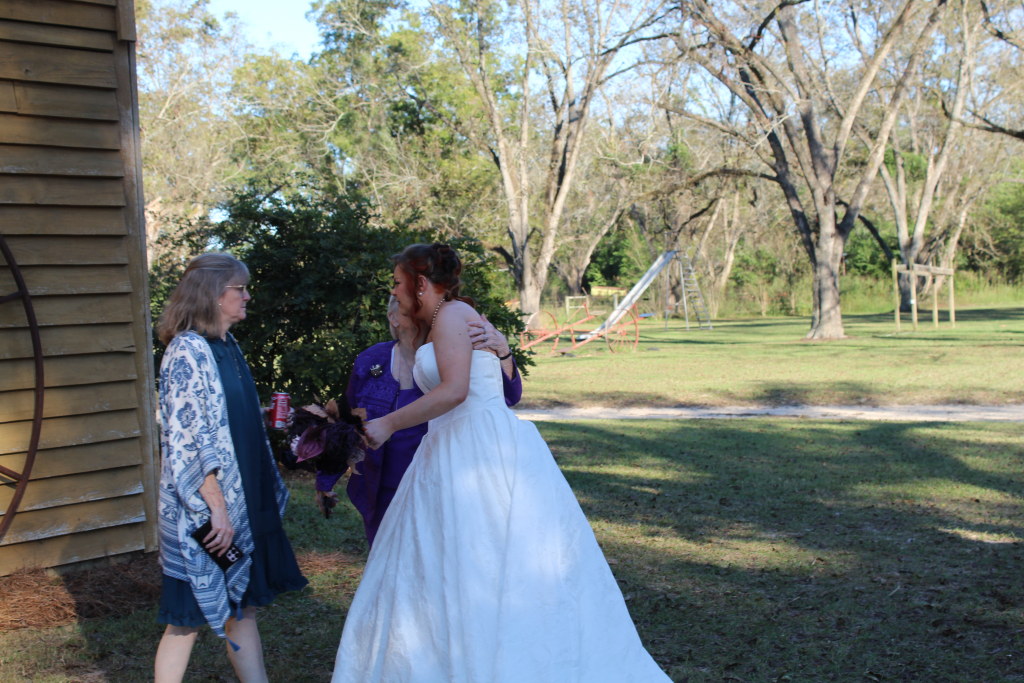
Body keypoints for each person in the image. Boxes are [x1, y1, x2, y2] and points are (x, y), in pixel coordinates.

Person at [332, 244, 670, 682]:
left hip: (477, 448)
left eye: (398, 282)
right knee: (451, 561)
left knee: (485, 558)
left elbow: (456, 391)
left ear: (421, 283)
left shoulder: (453, 315)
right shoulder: (440, 321)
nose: (393, 291)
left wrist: (389, 424)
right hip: (448, 447)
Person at [153, 253, 307, 683]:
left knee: (243, 608)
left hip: (244, 496)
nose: (247, 296)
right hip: (206, 507)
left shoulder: (227, 346)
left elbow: (223, 418)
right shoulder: (186, 351)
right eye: (240, 288)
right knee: (185, 618)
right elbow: (187, 441)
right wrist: (217, 509)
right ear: (214, 294)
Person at [314, 296, 522, 546]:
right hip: (380, 485)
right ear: (393, 318)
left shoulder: (451, 357)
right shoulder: (370, 359)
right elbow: (347, 425)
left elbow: (508, 396)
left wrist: (503, 352)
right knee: (386, 556)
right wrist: (325, 480)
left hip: (439, 480)